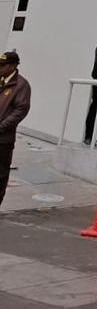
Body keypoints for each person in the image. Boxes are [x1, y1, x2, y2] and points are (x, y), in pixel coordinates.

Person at [0, 50, 31, 208]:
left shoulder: (21, 85)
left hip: (3, 139)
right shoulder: (1, 80)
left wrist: (2, 126)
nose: (0, 68)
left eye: (3, 65)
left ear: (13, 66)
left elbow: (21, 110)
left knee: (1, 175)